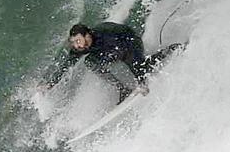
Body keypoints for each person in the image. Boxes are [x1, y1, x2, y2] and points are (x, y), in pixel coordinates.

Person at [44, 22, 181, 97]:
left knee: (143, 68)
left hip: (129, 41)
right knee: (90, 62)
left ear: (87, 35)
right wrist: (50, 84)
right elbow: (66, 65)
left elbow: (125, 52)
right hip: (111, 51)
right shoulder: (81, 47)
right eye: (74, 42)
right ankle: (123, 89)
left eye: (79, 40)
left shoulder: (105, 34)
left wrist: (141, 82)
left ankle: (171, 49)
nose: (77, 45)